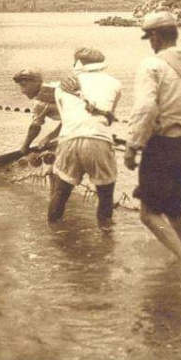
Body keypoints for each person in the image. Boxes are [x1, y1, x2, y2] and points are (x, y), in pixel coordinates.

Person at [124, 11, 181, 266]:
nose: (150, 43)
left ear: (155, 37)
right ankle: (178, 265)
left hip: (163, 145)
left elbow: (146, 109)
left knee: (148, 214)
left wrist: (133, 146)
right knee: (175, 211)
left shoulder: (151, 65)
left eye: (149, 38)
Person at [49, 47, 123, 226]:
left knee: (61, 192)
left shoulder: (62, 87)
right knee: (105, 194)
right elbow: (108, 118)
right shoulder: (115, 84)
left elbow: (66, 118)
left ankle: (53, 231)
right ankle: (106, 234)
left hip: (69, 139)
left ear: (78, 63)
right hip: (98, 139)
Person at [13, 70, 61, 154]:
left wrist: (24, 147)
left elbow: (34, 128)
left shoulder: (43, 100)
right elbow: (70, 118)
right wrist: (50, 137)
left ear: (37, 82)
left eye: (24, 85)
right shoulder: (52, 90)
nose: (22, 91)